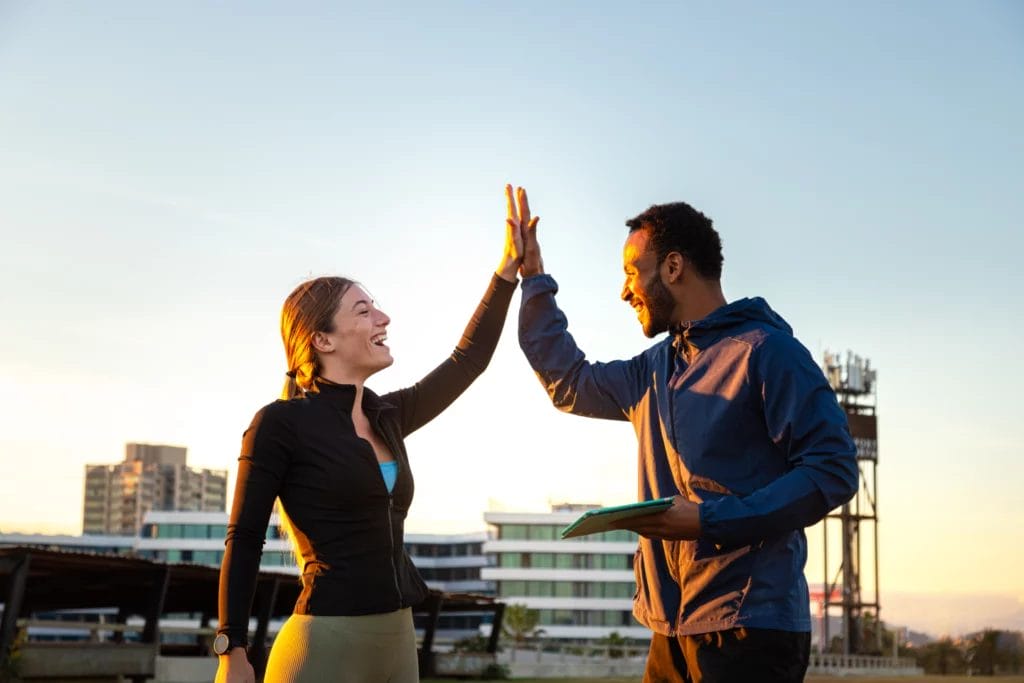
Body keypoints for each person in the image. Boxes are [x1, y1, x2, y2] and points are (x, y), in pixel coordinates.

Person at [516, 199, 858, 682]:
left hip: (751, 629)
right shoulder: (651, 370)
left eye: (632, 272)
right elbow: (569, 382)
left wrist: (706, 520)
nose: (623, 291)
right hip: (670, 631)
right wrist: (534, 280)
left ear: (673, 267)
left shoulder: (769, 352)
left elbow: (834, 470)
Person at [215, 185, 536, 683]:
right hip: (323, 646)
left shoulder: (389, 415)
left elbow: (467, 361)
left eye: (376, 307)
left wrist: (506, 273)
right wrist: (231, 647)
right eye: (363, 311)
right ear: (322, 340)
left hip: (397, 641)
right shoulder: (279, 424)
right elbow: (245, 539)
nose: (383, 318)